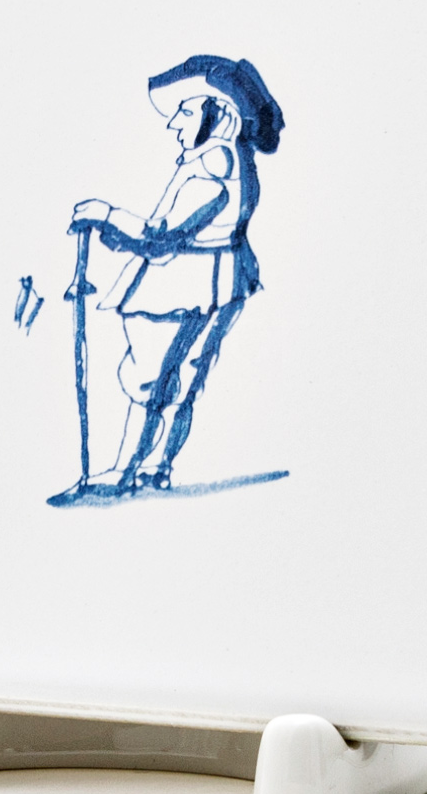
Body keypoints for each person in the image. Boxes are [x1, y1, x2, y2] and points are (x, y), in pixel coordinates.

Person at [66, 55, 284, 497]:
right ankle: (155, 466)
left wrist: (103, 214)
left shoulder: (213, 164)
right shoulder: (233, 159)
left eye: (185, 111)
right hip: (222, 279)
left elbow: (161, 235)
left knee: (150, 378)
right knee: (184, 377)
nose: (174, 124)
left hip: (182, 285)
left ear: (217, 114)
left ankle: (123, 472)